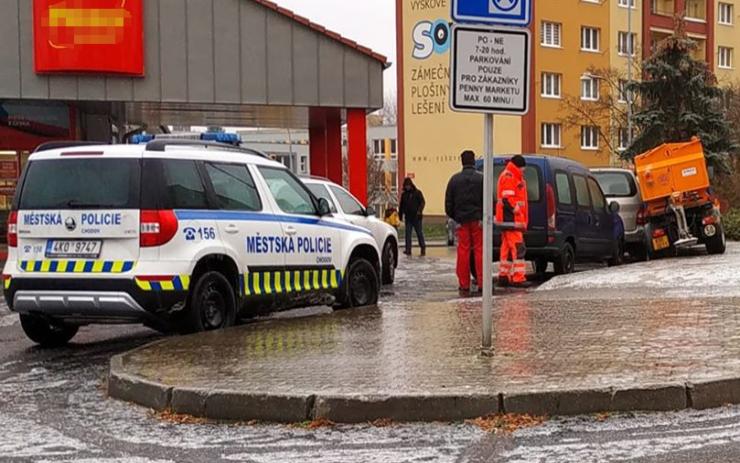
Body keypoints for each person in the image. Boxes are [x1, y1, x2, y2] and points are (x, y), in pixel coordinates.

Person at [445, 150, 484, 297]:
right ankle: (482, 282)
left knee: (463, 251)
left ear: (462, 162)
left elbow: (448, 203)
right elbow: (488, 200)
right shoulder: (481, 179)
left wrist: (455, 217)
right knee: (480, 250)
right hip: (477, 220)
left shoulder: (454, 180)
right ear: (473, 162)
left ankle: (464, 283)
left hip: (461, 220)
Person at [495, 155, 529, 286]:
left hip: (507, 220)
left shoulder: (509, 175)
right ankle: (518, 278)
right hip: (512, 220)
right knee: (518, 248)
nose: (523, 171)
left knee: (507, 248)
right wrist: (517, 211)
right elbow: (507, 199)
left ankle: (504, 276)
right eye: (523, 169)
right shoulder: (510, 177)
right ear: (518, 167)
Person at [399, 177, 426, 256]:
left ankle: (423, 247)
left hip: (417, 217)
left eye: (408, 185)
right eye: (406, 186)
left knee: (419, 233)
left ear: (411, 185)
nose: (407, 187)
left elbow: (422, 202)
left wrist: (419, 211)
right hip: (408, 218)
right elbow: (401, 206)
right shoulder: (404, 195)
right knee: (408, 234)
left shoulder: (417, 193)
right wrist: (400, 216)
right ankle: (408, 250)